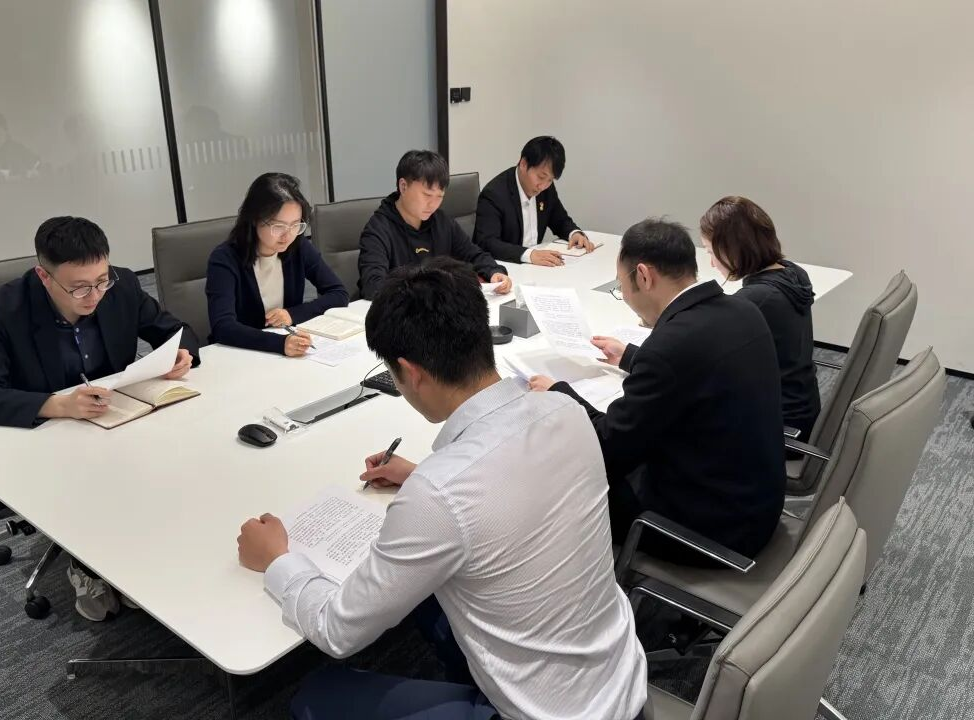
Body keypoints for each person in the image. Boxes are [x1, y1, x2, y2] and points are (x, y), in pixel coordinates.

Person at [237, 258, 647, 720]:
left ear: (410, 372)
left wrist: (277, 560)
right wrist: (419, 477)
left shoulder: (439, 493)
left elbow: (337, 631)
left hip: (547, 712)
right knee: (430, 597)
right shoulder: (565, 411)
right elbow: (510, 490)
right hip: (622, 675)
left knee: (315, 695)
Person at [0, 215, 199, 621]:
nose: (94, 295)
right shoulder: (3, 311)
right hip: (50, 440)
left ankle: (133, 551)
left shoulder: (121, 285)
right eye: (79, 287)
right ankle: (87, 565)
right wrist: (58, 404)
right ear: (43, 276)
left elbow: (177, 331)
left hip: (118, 424)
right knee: (94, 482)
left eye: (100, 281)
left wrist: (181, 354)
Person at [529, 219, 785, 563]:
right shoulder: (744, 310)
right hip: (757, 504)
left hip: (711, 531)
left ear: (644, 276)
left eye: (622, 286)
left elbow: (606, 449)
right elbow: (697, 368)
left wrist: (561, 395)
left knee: (562, 473)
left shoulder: (669, 347)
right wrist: (631, 357)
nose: (625, 297)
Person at [700, 196, 820, 439]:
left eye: (712, 252)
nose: (712, 263)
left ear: (733, 248)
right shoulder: (793, 273)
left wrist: (630, 356)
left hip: (776, 429)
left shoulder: (756, 300)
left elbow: (693, 361)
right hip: (801, 409)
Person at [206, 173, 348, 356]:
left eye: (295, 225)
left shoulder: (298, 246)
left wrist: (292, 314)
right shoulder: (225, 258)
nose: (287, 235)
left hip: (286, 351)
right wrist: (280, 344)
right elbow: (223, 327)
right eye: (279, 226)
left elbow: (338, 293)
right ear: (255, 219)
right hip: (240, 354)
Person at [357, 149, 512, 300]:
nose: (433, 204)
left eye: (440, 196)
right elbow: (373, 285)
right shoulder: (379, 229)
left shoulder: (441, 222)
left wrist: (494, 272)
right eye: (427, 195)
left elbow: (473, 254)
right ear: (403, 186)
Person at [473, 135, 595, 267]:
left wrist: (574, 233)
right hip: (505, 269)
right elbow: (487, 243)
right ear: (523, 164)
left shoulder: (546, 189)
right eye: (541, 177)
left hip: (535, 268)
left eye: (550, 180)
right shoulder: (494, 194)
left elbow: (560, 220)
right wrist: (529, 255)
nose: (543, 186)